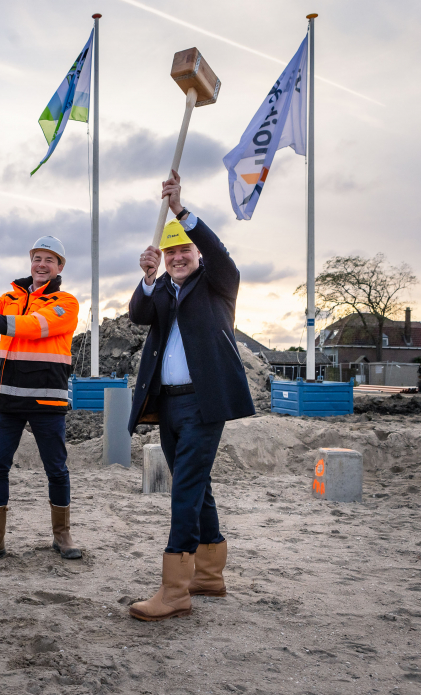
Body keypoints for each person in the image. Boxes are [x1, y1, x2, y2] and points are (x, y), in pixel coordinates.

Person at [126, 171, 255, 622]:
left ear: (196, 253)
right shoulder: (162, 287)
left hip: (205, 401)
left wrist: (181, 209)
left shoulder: (217, 283)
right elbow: (139, 316)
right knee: (195, 483)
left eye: (184, 250)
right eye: (171, 252)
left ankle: (175, 589)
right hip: (169, 402)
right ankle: (209, 575)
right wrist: (145, 278)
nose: (178, 258)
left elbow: (223, 258)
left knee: (184, 486)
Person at [0, 236, 82, 563]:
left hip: (47, 401)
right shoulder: (10, 296)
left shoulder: (66, 303)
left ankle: (62, 534)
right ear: (31, 262)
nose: (41, 264)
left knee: (56, 469)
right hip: (7, 398)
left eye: (49, 260)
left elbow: (35, 326)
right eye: (37, 258)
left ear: (59, 267)